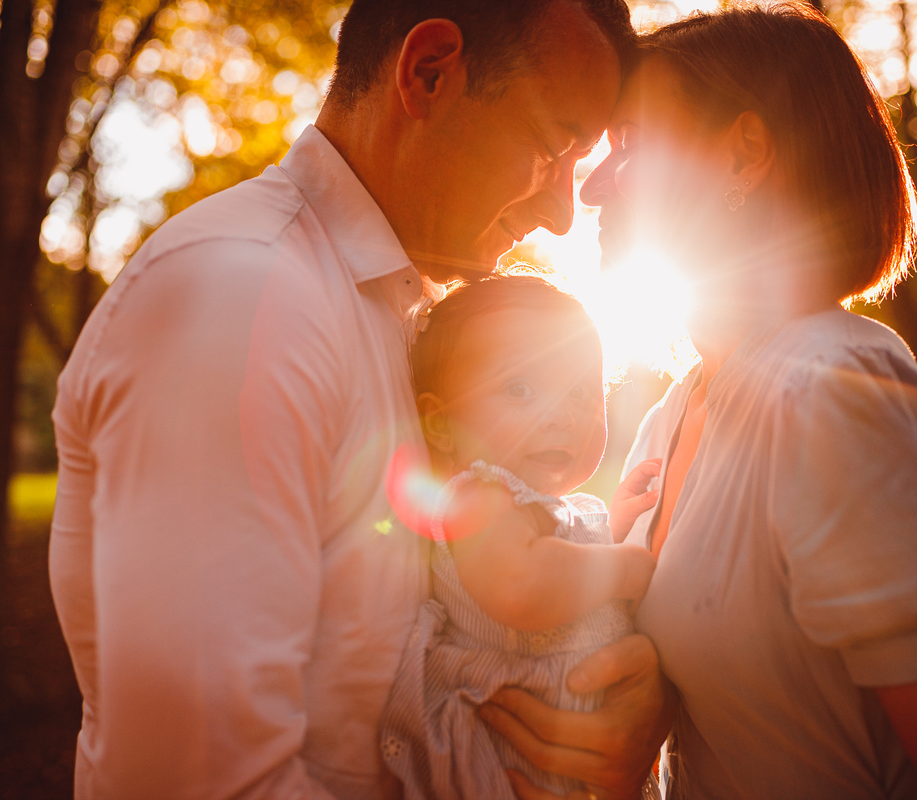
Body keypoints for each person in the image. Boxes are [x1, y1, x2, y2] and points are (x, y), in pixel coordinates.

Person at [48, 2, 671, 798]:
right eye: (555, 148)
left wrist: (604, 702)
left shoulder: (391, 317)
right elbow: (203, 780)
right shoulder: (244, 298)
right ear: (430, 72)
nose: (558, 214)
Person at [569, 4, 917, 799]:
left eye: (632, 146)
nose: (596, 184)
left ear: (746, 152)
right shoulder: (670, 417)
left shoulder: (830, 394)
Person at [379, 274, 662, 799]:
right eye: (520, 389)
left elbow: (560, 556)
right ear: (442, 426)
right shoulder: (480, 497)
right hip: (505, 765)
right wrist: (622, 565)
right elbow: (522, 585)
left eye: (581, 391)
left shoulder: (525, 507)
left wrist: (612, 524)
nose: (562, 415)